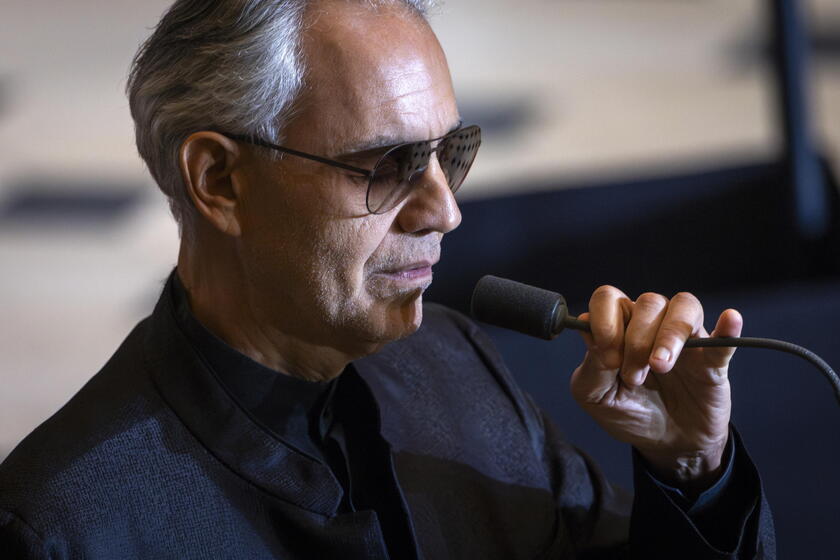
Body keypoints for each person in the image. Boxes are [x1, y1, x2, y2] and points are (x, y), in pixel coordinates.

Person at [0, 0, 774, 558]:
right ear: (220, 181)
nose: (445, 212)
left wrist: (692, 473)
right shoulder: (63, 524)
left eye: (450, 154)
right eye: (390, 166)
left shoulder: (458, 366)